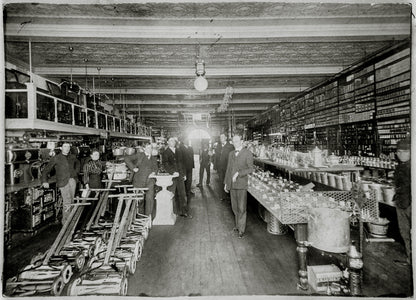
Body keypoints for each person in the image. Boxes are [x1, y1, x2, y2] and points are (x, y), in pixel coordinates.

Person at [41, 142, 80, 225]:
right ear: (61, 148)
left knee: (71, 201)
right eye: (65, 146)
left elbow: (78, 164)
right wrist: (45, 181)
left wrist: (75, 173)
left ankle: (70, 220)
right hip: (63, 182)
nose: (67, 148)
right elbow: (46, 170)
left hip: (72, 181)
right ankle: (66, 222)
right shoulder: (56, 158)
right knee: (67, 201)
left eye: (68, 146)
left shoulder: (73, 157)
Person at [224, 134, 253, 238]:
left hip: (241, 184)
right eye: (233, 141)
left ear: (242, 141)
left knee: (241, 208)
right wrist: (226, 183)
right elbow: (228, 169)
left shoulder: (247, 153)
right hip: (232, 184)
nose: (235, 143)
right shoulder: (231, 153)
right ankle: (237, 225)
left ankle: (241, 229)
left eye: (237, 141)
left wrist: (238, 173)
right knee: (234, 207)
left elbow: (250, 169)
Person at [125, 143, 158, 219]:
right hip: (139, 181)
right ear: (144, 148)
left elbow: (156, 168)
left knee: (150, 200)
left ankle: (148, 218)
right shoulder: (139, 155)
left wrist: (154, 172)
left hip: (150, 181)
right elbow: (126, 158)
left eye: (151, 148)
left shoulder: (154, 158)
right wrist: (133, 168)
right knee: (140, 201)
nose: (149, 149)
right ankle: (140, 218)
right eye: (148, 148)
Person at [162, 137, 192, 218]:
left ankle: (184, 212)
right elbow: (165, 164)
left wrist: (184, 174)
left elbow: (182, 163)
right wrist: (172, 172)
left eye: (174, 141)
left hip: (180, 175)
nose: (173, 142)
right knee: (172, 194)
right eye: (171, 141)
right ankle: (174, 212)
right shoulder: (165, 152)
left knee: (182, 194)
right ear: (167, 142)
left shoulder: (178, 151)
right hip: (172, 176)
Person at [393, 137, 411, 265]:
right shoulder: (401, 166)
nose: (400, 154)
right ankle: (410, 259)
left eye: (404, 151)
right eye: (398, 151)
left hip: (409, 204)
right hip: (401, 202)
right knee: (405, 232)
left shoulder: (411, 166)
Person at [217, 133, 234, 201]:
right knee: (221, 181)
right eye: (220, 137)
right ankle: (222, 195)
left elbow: (233, 157)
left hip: (228, 167)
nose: (221, 139)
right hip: (220, 167)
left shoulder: (230, 146)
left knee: (228, 181)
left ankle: (229, 195)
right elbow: (217, 156)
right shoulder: (218, 146)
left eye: (223, 137)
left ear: (226, 138)